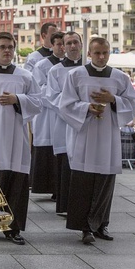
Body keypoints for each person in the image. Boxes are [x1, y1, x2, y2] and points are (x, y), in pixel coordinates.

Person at [59, 37, 135, 244]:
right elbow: (65, 105)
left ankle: (102, 224)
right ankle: (85, 228)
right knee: (83, 182)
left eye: (105, 53)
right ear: (89, 54)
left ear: (109, 53)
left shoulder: (120, 78)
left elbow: (132, 104)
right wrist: (86, 108)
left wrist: (113, 100)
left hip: (107, 137)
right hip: (84, 136)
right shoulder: (76, 75)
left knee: (105, 181)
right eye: (97, 53)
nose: (101, 57)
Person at [0, 32, 42, 245]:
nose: (7, 51)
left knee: (15, 183)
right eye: (2, 47)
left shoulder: (25, 76)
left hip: (16, 139)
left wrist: (17, 99)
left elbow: (38, 102)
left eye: (10, 47)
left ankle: (13, 229)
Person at [45, 31, 83, 215]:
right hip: (64, 124)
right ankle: (66, 206)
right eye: (68, 43)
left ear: (82, 44)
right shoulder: (56, 70)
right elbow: (52, 97)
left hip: (86, 125)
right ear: (63, 47)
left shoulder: (89, 69)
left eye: (76, 42)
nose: (72, 46)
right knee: (65, 167)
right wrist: (76, 107)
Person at [30, 31, 65, 198]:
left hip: (66, 114)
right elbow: (37, 90)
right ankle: (49, 187)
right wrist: (60, 96)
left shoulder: (77, 65)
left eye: (64, 43)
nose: (62, 47)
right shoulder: (43, 65)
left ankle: (62, 189)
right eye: (58, 44)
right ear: (52, 45)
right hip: (48, 114)